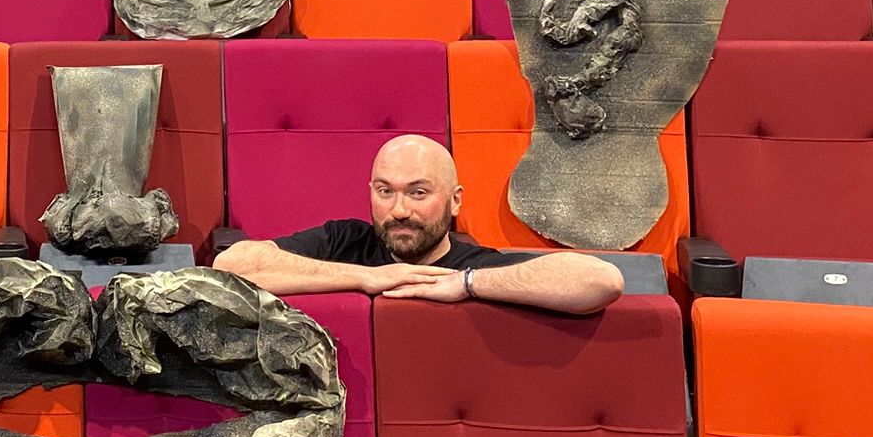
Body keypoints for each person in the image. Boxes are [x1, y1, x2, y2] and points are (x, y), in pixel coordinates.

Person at [213, 134, 624, 314]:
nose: (399, 210)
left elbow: (601, 281)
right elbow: (232, 266)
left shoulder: (473, 265)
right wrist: (367, 277)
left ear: (455, 200)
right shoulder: (343, 241)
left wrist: (466, 285)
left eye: (418, 192)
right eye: (385, 191)